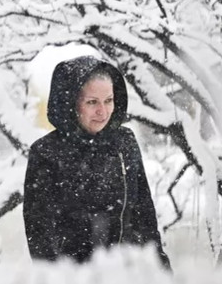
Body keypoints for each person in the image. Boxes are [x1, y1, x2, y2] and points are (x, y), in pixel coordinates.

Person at [22, 55, 171, 269]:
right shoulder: (46, 153)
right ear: (71, 103)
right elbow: (41, 237)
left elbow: (144, 216)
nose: (103, 111)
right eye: (92, 102)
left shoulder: (124, 143)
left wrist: (161, 270)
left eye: (108, 100)